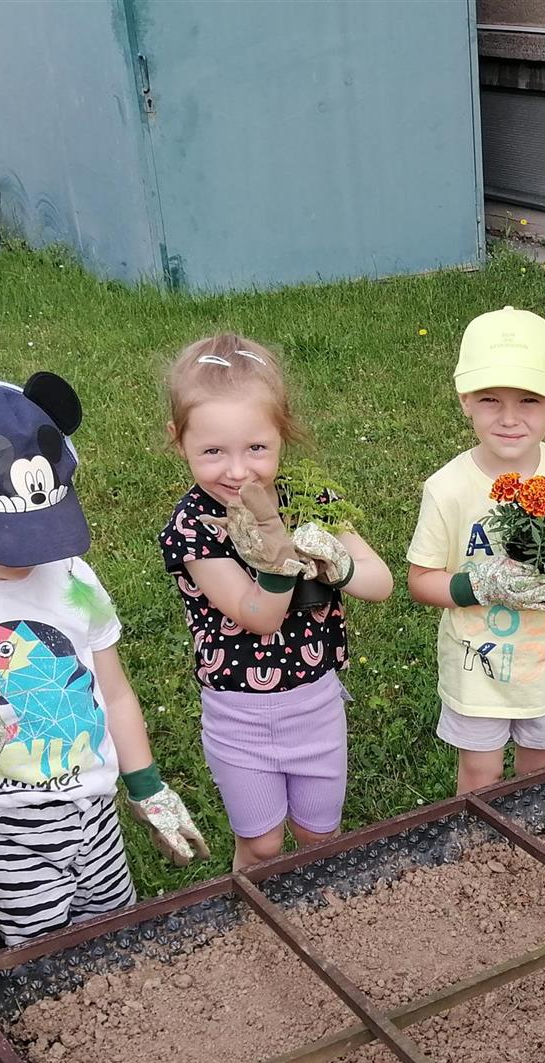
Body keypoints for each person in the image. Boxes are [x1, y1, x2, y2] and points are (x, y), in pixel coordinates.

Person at [0, 372, 207, 946]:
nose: (31, 554)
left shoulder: (71, 577)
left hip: (95, 811)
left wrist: (148, 786)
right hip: (1, 829)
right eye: (6, 536)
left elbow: (112, 692)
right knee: (39, 958)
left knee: (115, 937)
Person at [157, 334, 393, 869]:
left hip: (315, 705)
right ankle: (255, 927)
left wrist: (339, 562)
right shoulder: (194, 526)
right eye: (213, 451)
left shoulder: (309, 499)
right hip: (239, 716)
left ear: (281, 435)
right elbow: (256, 616)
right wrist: (281, 560)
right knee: (261, 846)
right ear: (179, 442)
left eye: (256, 448)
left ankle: (317, 923)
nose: (238, 472)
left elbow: (380, 584)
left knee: (319, 836)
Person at [406, 307, 545, 794]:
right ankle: (478, 855)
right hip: (475, 671)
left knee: (539, 774)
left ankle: (528, 857)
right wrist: (477, 583)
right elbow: (421, 581)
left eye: (528, 400)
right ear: (465, 400)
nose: (509, 418)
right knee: (480, 778)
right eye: (489, 400)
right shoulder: (449, 487)